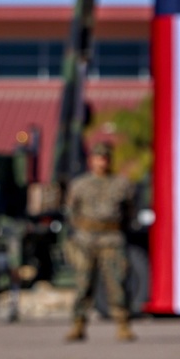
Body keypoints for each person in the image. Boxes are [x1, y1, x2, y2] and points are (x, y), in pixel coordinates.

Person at [64, 138, 136, 342]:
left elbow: (129, 212)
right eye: (97, 158)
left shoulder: (122, 184)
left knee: (117, 284)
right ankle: (78, 324)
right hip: (86, 240)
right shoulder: (80, 185)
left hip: (112, 240)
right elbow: (71, 213)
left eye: (105, 158)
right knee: (83, 284)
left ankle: (123, 324)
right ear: (91, 161)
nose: (101, 162)